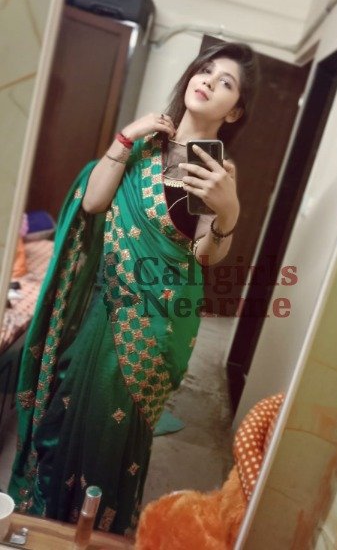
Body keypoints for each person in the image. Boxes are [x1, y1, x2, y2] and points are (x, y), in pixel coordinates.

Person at [8, 41, 260, 536]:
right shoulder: (145, 145)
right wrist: (126, 137)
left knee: (114, 430)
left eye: (226, 82)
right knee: (69, 407)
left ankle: (96, 532)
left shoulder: (217, 172)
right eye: (206, 70)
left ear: (235, 111)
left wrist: (228, 211)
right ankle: (51, 524)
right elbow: (93, 203)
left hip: (157, 324)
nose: (208, 81)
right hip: (103, 308)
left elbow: (205, 255)